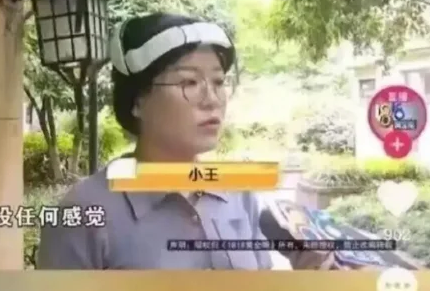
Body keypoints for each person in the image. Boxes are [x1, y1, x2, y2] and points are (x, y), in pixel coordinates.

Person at [37, 13, 320, 270]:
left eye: (218, 82)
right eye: (189, 83)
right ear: (137, 101)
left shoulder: (239, 195)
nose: (212, 99)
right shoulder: (82, 213)